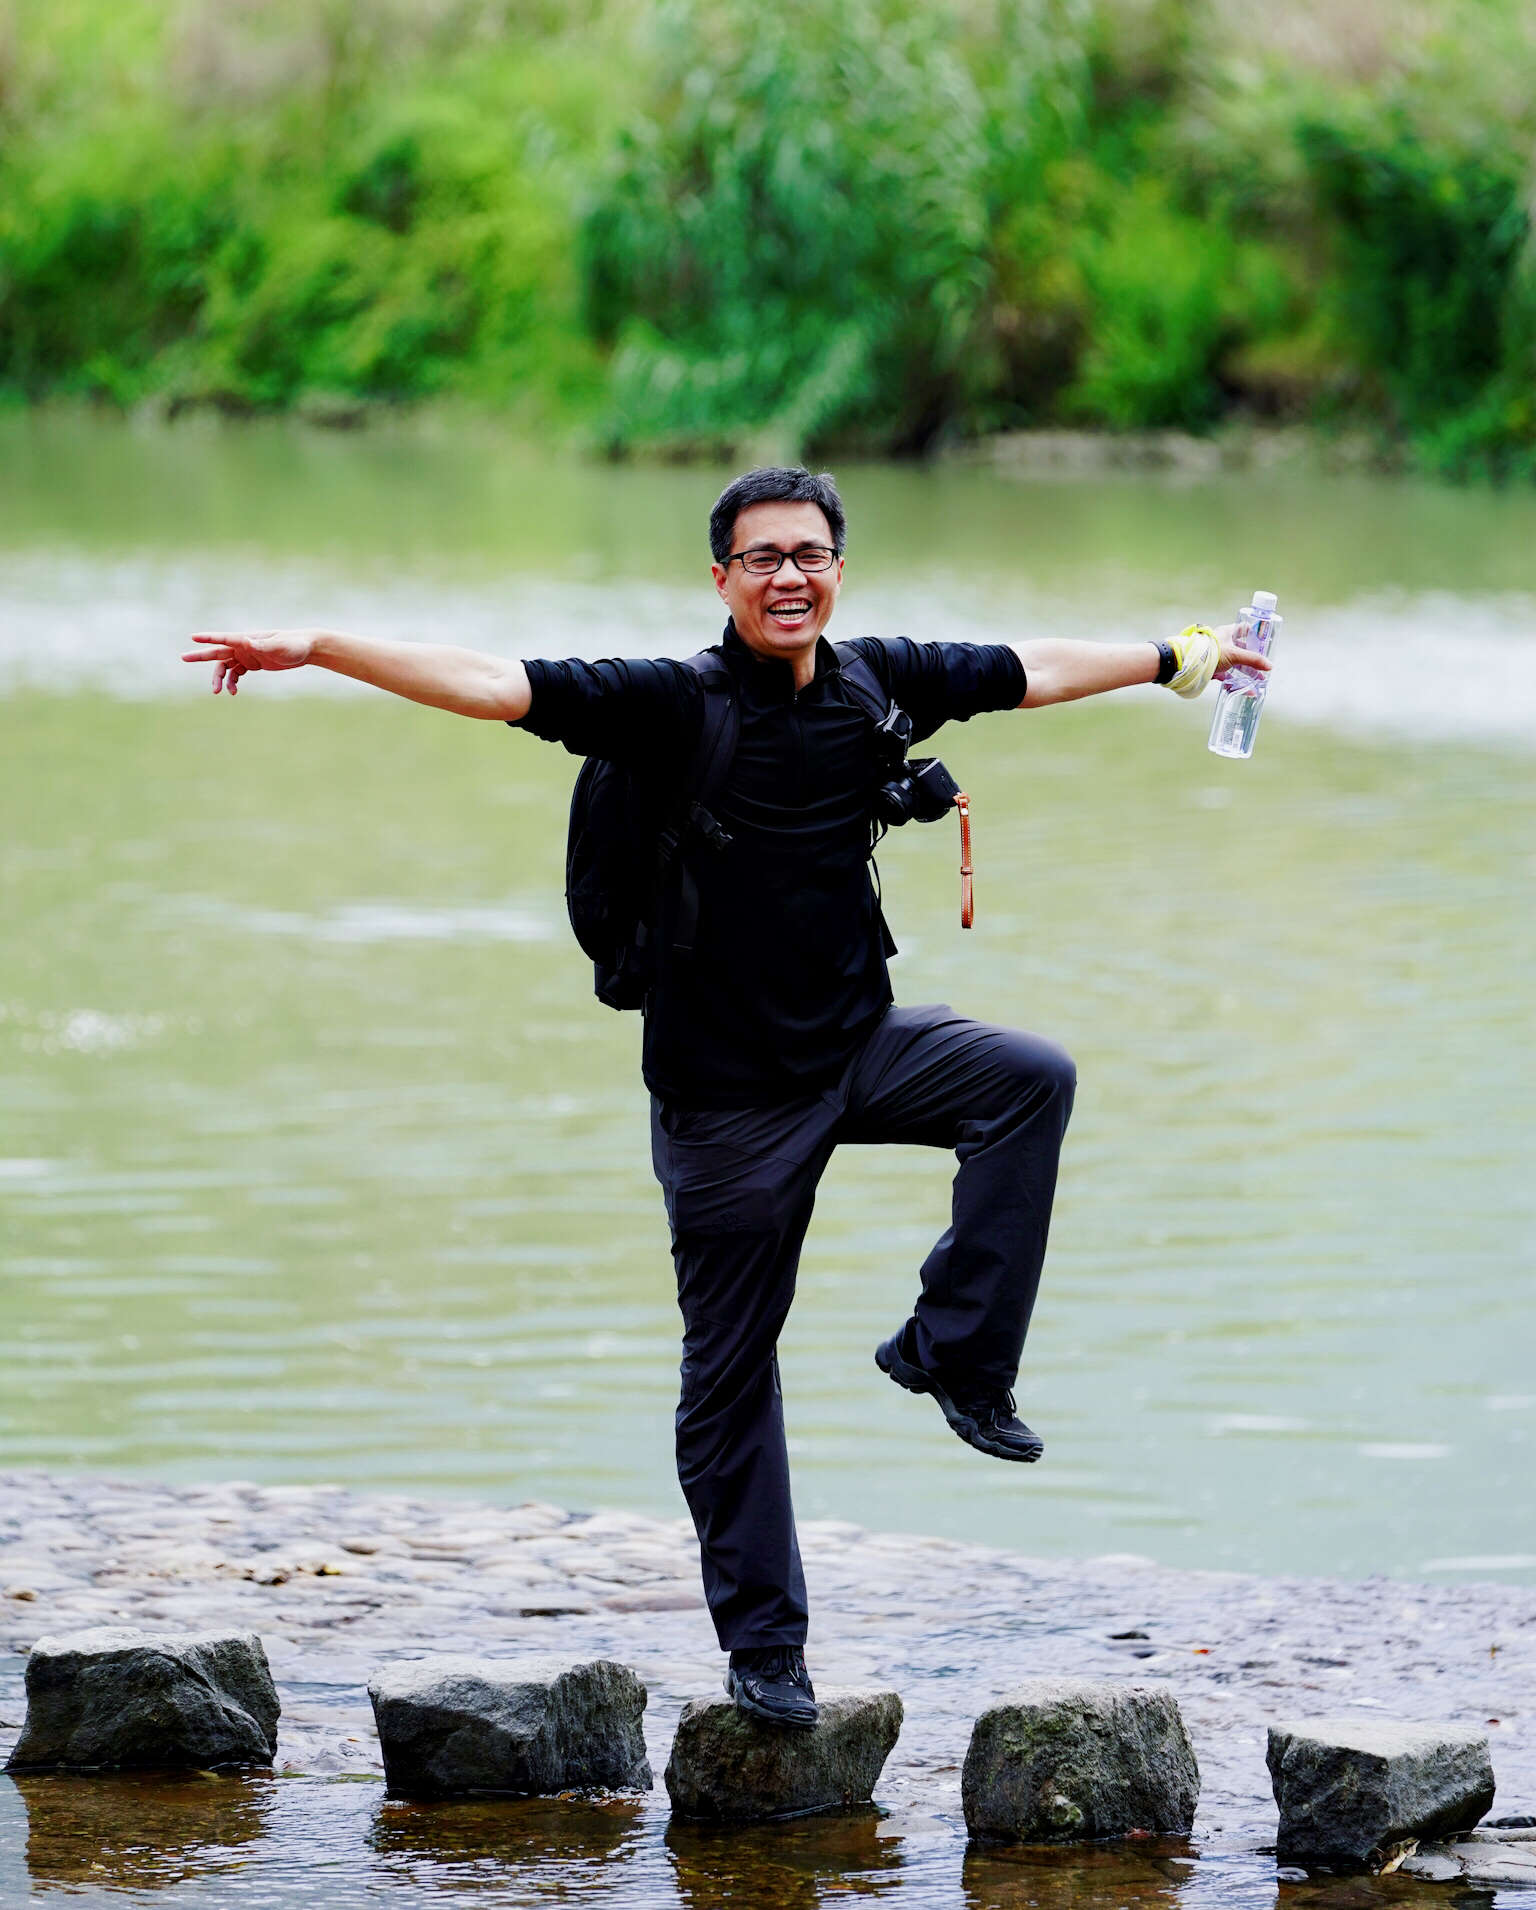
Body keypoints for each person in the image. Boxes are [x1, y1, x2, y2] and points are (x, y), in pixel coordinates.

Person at [183, 465, 1267, 1731]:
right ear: (722, 578)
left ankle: (954, 1353)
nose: (788, 576)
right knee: (731, 1373)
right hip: (724, 1101)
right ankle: (766, 1646)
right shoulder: (666, 703)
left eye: (809, 554)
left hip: (857, 1045)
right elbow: (489, 683)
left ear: (838, 569)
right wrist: (318, 645)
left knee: (1029, 1078)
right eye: (762, 557)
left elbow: (1033, 667)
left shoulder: (879, 683)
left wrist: (1178, 657)